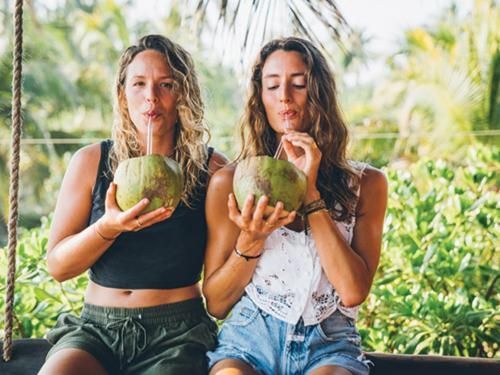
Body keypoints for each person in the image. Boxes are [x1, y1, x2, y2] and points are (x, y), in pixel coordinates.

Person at [39, 34, 227, 375]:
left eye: (165, 84)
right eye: (138, 84)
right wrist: (106, 228)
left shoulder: (211, 170)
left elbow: (219, 292)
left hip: (178, 334)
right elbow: (58, 267)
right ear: (123, 96)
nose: (151, 97)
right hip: (96, 330)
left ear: (183, 94)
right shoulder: (91, 161)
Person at [203, 37, 388, 375]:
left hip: (329, 344)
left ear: (319, 94)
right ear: (260, 97)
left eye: (299, 84)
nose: (285, 96)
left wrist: (310, 192)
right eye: (272, 85)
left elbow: (352, 291)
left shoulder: (367, 184)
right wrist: (252, 238)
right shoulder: (230, 181)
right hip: (248, 339)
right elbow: (216, 303)